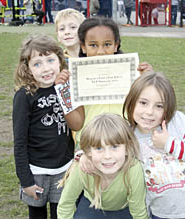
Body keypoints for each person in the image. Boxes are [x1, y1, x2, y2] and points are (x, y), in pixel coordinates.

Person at [123, 71, 185, 218]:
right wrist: (82, 156)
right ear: (131, 101)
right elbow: (104, 148)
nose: (149, 112)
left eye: (159, 106)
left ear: (168, 108)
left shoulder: (177, 121)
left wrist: (169, 144)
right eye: (143, 103)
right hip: (161, 215)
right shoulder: (127, 136)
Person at [55, 17, 153, 149]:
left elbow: (145, 112)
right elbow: (76, 124)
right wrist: (63, 91)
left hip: (124, 143)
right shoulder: (76, 77)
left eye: (107, 44)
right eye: (93, 45)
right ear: (83, 47)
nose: (100, 51)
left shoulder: (132, 74)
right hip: (89, 145)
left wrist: (148, 81)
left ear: (116, 45)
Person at [13, 34, 75, 219]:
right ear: (28, 68)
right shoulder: (24, 96)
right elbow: (20, 141)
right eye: (37, 63)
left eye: (50, 60)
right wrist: (26, 180)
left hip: (64, 169)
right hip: (36, 171)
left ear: (60, 60)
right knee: (37, 214)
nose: (46, 68)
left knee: (61, 213)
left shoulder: (66, 87)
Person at [57, 113, 149, 219]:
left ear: (127, 147)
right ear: (88, 151)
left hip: (123, 209)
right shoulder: (83, 167)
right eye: (99, 148)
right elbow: (65, 205)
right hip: (92, 205)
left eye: (115, 147)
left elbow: (138, 212)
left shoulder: (133, 169)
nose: (107, 156)